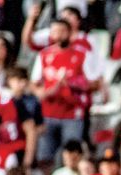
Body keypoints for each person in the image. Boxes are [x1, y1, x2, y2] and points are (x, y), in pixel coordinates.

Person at [31, 18, 92, 167]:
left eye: (62, 31)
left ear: (70, 33)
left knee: (72, 155)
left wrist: (72, 83)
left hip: (73, 113)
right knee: (45, 156)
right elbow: (34, 83)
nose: (58, 35)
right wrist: (42, 92)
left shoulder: (82, 55)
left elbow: (93, 82)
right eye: (55, 31)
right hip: (49, 112)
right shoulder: (44, 55)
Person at [6, 67, 43, 171]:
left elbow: (41, 125)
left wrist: (31, 131)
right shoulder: (3, 99)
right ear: (9, 80)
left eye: (24, 81)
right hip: (6, 144)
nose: (21, 84)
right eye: (18, 80)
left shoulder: (32, 100)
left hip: (25, 143)